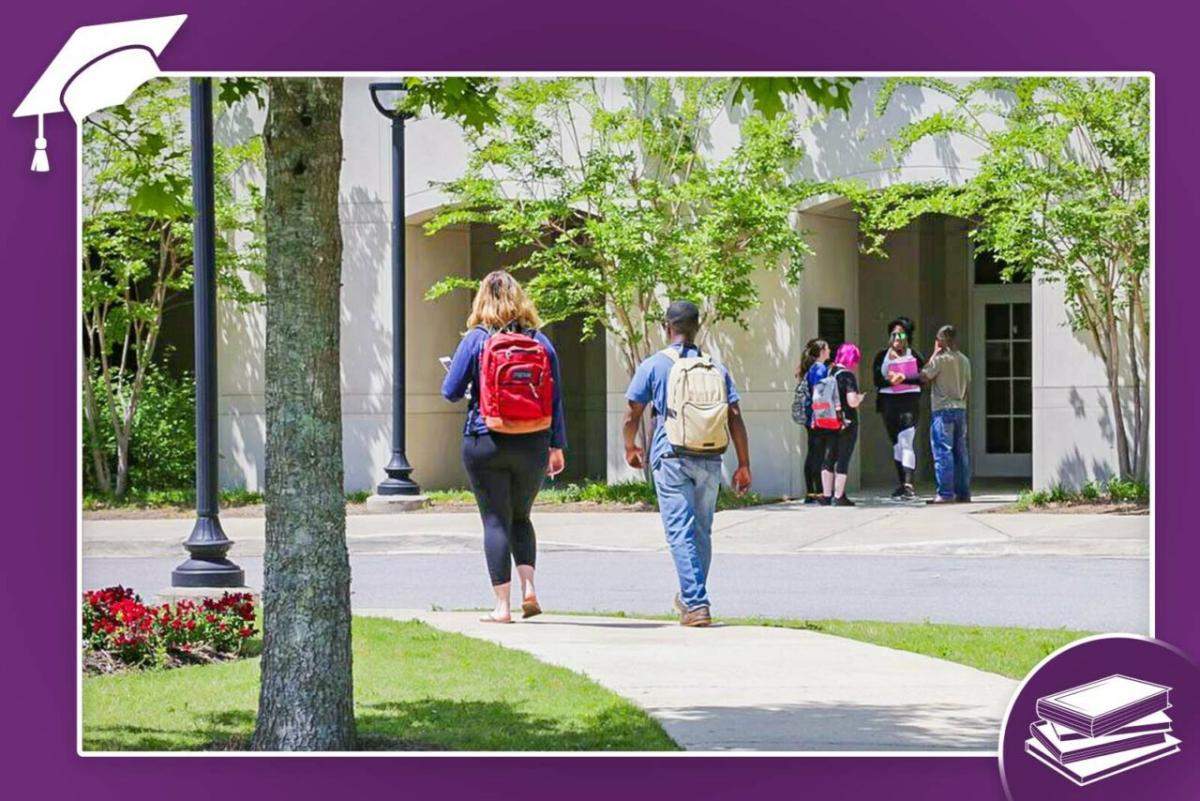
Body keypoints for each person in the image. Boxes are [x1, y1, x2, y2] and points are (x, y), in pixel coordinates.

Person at [441, 271, 567, 624]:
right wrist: (557, 445)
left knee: (495, 520)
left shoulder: (476, 339)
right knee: (521, 518)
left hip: (485, 439)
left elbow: (450, 391)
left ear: (481, 298)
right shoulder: (540, 341)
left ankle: (502, 607)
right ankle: (530, 588)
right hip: (533, 442)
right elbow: (556, 398)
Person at [622, 300, 752, 627]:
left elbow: (631, 414)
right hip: (710, 457)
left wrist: (630, 446)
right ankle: (692, 597)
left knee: (679, 530)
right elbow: (734, 417)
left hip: (671, 456)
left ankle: (695, 602)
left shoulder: (654, 365)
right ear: (696, 328)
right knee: (701, 531)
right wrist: (743, 464)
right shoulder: (715, 368)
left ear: (668, 328)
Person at [917, 325, 972, 503]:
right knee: (961, 452)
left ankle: (945, 493)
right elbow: (968, 386)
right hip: (960, 408)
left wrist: (934, 354)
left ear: (942, 340)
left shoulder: (940, 359)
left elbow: (923, 376)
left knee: (943, 452)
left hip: (942, 409)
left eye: (938, 339)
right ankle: (963, 492)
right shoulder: (965, 360)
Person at [873, 316, 926, 502]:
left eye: (901, 333)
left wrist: (904, 378)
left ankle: (909, 484)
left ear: (907, 336)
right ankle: (902, 482)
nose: (897, 337)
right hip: (888, 401)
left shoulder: (914, 355)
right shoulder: (882, 356)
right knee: (896, 443)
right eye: (894, 333)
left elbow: (922, 377)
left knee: (906, 441)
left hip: (908, 400)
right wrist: (890, 379)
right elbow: (876, 380)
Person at [820, 343, 867, 506]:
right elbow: (851, 401)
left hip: (829, 420)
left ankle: (826, 495)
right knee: (843, 457)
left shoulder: (830, 372)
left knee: (828, 456)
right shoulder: (847, 375)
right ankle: (839, 496)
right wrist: (860, 398)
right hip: (846, 422)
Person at [795, 338, 831, 503]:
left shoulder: (811, 369)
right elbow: (819, 393)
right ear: (822, 351)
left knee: (812, 453)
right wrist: (820, 415)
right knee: (818, 454)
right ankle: (818, 491)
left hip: (811, 416)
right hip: (817, 417)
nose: (830, 351)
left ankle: (811, 492)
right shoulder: (820, 369)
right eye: (827, 349)